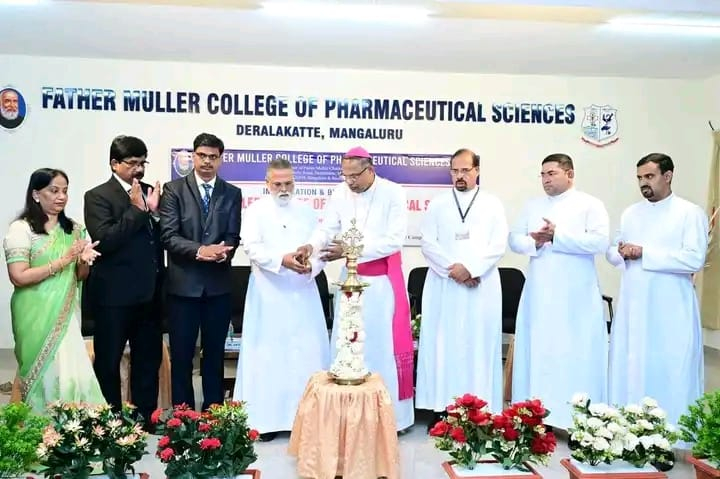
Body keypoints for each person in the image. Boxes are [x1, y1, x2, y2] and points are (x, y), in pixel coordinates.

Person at [297, 146, 415, 431]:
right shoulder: (340, 193)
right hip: (349, 282)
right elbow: (326, 229)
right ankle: (347, 420)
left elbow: (393, 241)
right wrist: (311, 245)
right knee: (348, 347)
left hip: (380, 286)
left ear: (369, 169)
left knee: (380, 348)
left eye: (354, 176)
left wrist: (350, 249)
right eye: (345, 175)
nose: (349, 181)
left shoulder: (394, 193)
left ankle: (390, 421)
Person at [606, 153, 707, 430]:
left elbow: (694, 259)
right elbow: (613, 251)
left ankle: (673, 434)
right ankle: (627, 430)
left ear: (668, 176)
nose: (643, 183)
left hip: (670, 308)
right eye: (639, 178)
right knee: (633, 366)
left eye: (649, 176)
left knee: (670, 368)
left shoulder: (689, 213)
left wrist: (644, 253)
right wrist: (621, 252)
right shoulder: (631, 213)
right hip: (634, 306)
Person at [508, 153, 609, 430]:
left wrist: (558, 236)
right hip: (540, 294)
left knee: (575, 355)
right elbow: (514, 240)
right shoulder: (533, 205)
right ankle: (539, 417)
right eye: (542, 174)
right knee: (541, 353)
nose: (545, 179)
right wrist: (536, 242)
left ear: (570, 174)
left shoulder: (590, 204)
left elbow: (600, 242)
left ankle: (578, 421)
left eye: (551, 173)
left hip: (576, 296)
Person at [233, 158, 330, 441]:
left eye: (288, 183)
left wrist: (312, 266)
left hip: (302, 293)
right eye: (278, 184)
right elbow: (251, 247)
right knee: (268, 356)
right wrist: (281, 260)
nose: (284, 189)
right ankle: (265, 421)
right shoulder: (255, 211)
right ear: (267, 183)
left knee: (305, 353)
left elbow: (320, 248)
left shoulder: (307, 211)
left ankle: (308, 421)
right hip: (269, 294)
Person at [416, 149, 507, 428]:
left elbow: (498, 244)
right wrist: (453, 269)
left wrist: (473, 269)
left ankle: (479, 409)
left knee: (478, 344)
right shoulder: (438, 204)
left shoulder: (492, 203)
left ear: (477, 170)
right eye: (455, 171)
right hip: (444, 284)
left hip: (481, 285)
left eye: (465, 170)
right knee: (442, 344)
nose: (459, 176)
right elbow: (427, 242)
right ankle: (441, 408)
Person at [3, 168, 103, 412]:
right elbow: (18, 276)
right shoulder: (21, 229)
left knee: (71, 372)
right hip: (33, 313)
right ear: (36, 194)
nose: (61, 196)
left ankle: (73, 426)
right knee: (42, 372)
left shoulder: (75, 230)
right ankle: (39, 426)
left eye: (65, 191)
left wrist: (83, 261)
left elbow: (80, 276)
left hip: (66, 314)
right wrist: (63, 260)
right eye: (54, 190)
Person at [83, 135, 164, 426]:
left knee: (148, 360)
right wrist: (137, 210)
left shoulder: (150, 192)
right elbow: (105, 240)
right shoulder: (97, 196)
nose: (139, 169)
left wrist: (155, 214)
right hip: (113, 297)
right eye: (132, 163)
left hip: (149, 295)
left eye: (143, 163)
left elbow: (160, 238)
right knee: (108, 361)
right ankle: (112, 422)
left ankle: (145, 418)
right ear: (114, 163)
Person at [159, 132, 242, 410]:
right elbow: (168, 236)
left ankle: (213, 414)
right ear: (193, 156)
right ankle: (182, 417)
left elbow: (233, 236)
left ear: (221, 159)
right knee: (182, 356)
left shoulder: (231, 193)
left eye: (213, 157)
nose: (207, 161)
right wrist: (201, 250)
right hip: (183, 287)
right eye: (202, 156)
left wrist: (223, 251)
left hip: (218, 287)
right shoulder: (174, 190)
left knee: (214, 356)